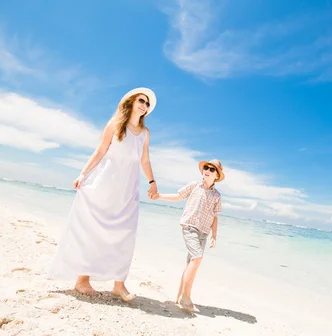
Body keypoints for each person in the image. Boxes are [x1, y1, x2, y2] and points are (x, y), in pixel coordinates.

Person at [49, 87, 159, 301]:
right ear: (131, 102)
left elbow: (144, 160)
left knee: (126, 233)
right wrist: (83, 174)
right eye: (141, 100)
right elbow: (100, 151)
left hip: (128, 190)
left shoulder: (145, 134)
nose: (144, 105)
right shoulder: (115, 124)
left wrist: (152, 182)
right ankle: (82, 280)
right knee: (94, 230)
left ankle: (119, 284)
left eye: (147, 104)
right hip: (105, 184)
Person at [153, 159, 224, 311]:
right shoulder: (194, 186)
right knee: (197, 258)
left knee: (190, 264)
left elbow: (215, 217)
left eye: (212, 170)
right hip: (189, 227)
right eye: (206, 167)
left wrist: (214, 236)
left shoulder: (217, 196)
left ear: (217, 176)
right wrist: (159, 196)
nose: (208, 170)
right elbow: (178, 197)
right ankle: (187, 296)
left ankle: (178, 298)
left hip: (204, 233)